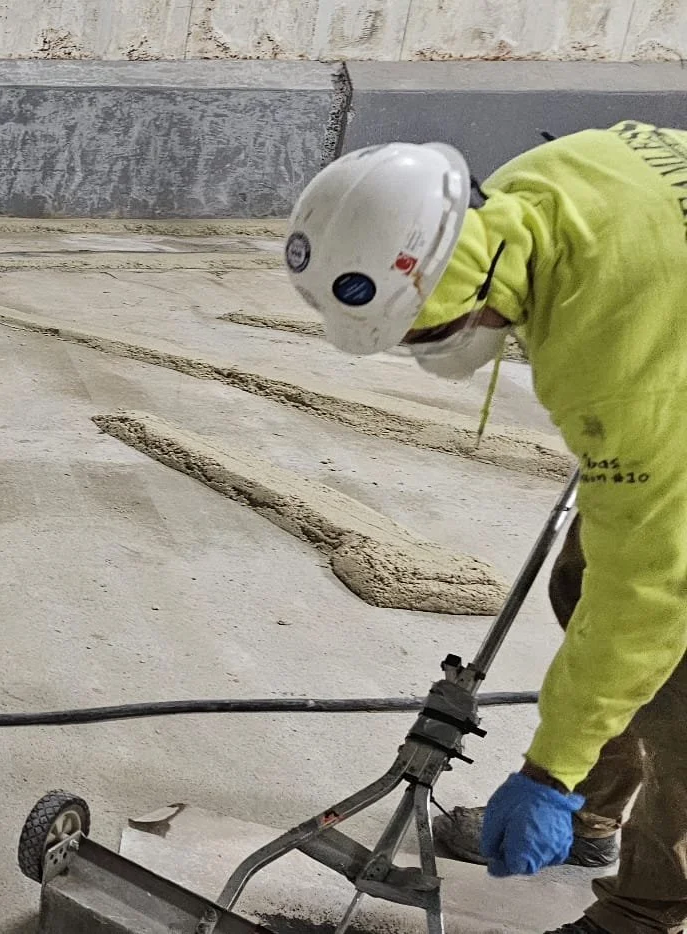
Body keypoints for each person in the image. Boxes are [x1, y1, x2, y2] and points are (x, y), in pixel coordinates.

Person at [281, 122, 687, 934]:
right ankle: (591, 817)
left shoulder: (620, 369)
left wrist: (548, 769)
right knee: (582, 577)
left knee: (674, 675)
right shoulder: (521, 193)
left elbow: (650, 592)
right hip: (660, 331)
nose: (424, 350)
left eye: (425, 333)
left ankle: (643, 911)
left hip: (654, 359)